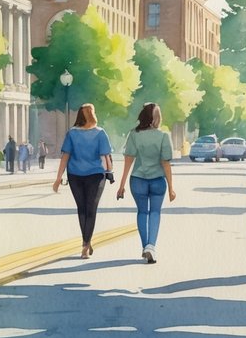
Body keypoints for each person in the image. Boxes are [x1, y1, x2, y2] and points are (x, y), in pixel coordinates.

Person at [52, 104, 114, 259]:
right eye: (90, 112)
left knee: (86, 209)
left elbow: (66, 156)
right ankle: (86, 241)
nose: (92, 114)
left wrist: (59, 177)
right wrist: (58, 178)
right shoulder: (94, 133)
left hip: (86, 175)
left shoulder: (80, 133)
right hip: (85, 175)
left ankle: (85, 244)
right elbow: (106, 156)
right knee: (86, 209)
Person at [116, 103, 176, 263]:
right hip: (158, 181)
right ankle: (151, 246)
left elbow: (128, 160)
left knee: (142, 212)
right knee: (155, 212)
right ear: (157, 118)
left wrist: (121, 186)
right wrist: (171, 187)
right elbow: (166, 164)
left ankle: (145, 247)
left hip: (138, 180)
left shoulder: (134, 135)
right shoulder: (164, 136)